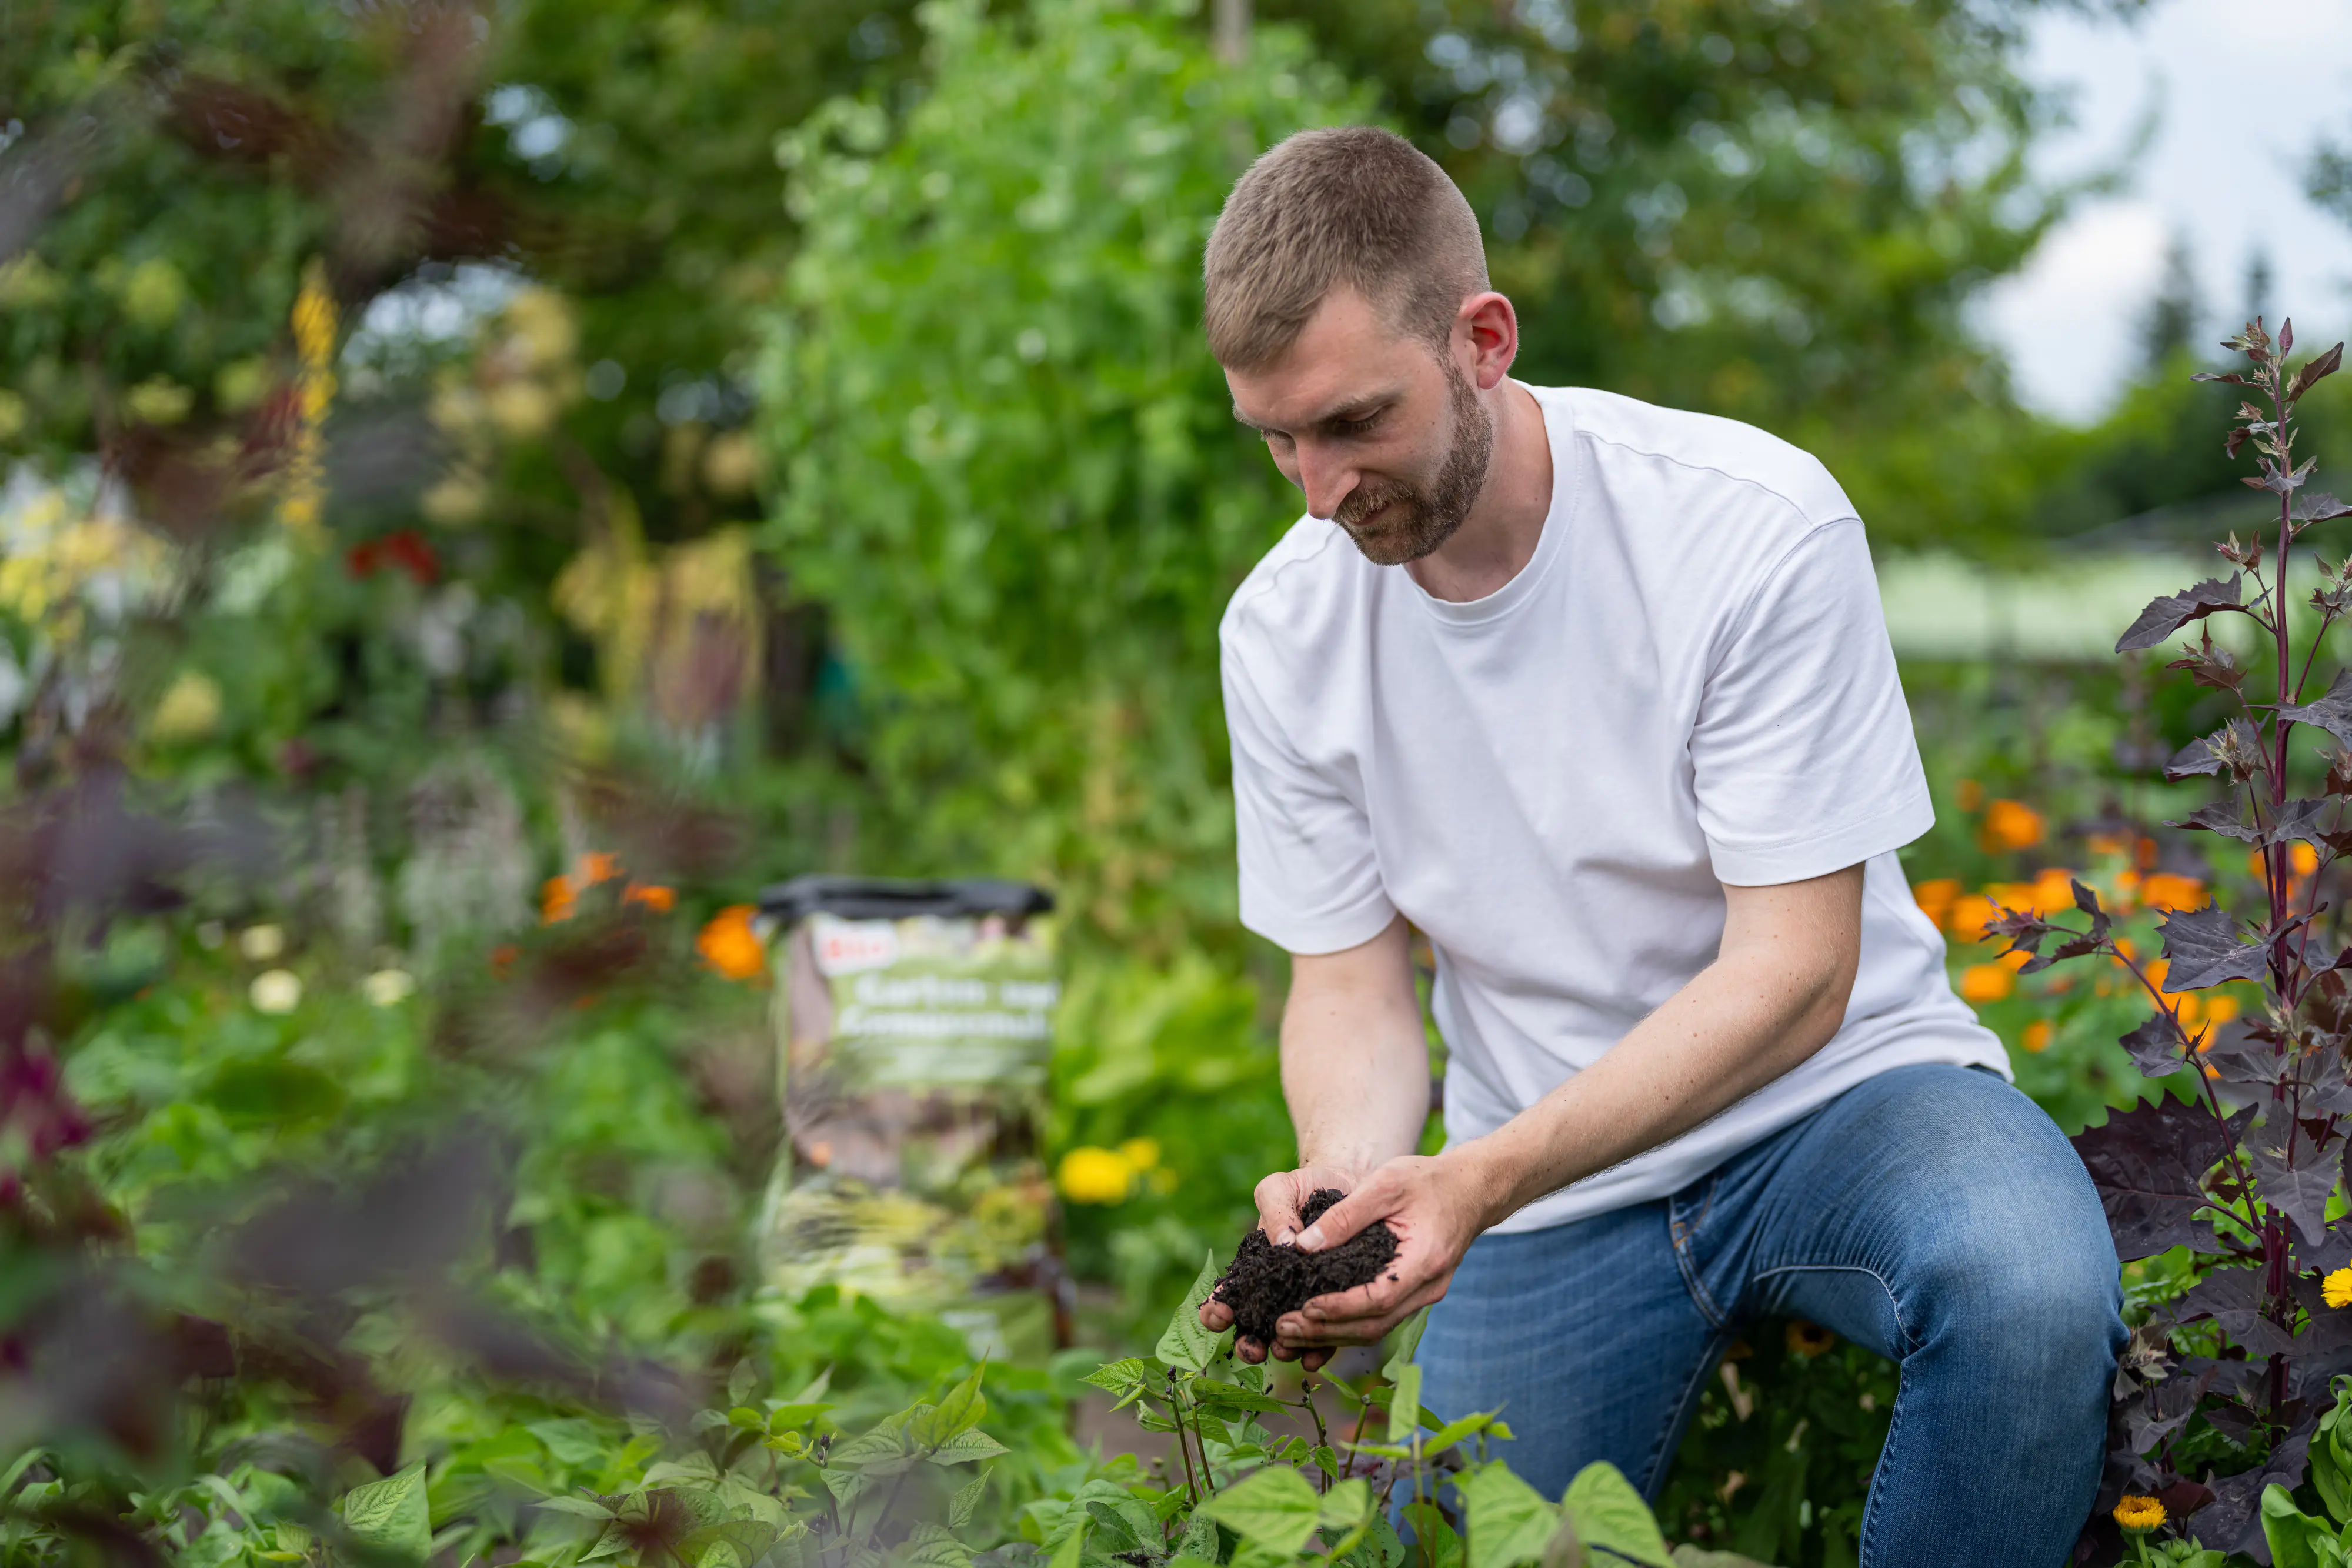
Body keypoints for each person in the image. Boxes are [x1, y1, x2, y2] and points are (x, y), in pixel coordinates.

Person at [1191, 125, 2124, 1566]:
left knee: (2031, 1289)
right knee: (1450, 1540)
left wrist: (1476, 1179)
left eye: (1354, 423)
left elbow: (1798, 973)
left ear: (1482, 339)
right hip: (1552, 1188)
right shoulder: (1282, 629)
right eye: (1278, 438)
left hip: (1836, 1103)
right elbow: (1351, 981)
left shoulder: (1745, 531)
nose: (1317, 489)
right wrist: (1355, 1190)